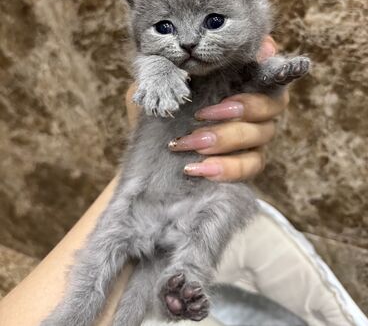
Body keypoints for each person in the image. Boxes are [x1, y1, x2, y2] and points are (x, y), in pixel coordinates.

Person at [0, 37, 289, 326]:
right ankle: (177, 286)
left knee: (226, 203)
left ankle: (182, 278)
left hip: (182, 192)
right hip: (158, 189)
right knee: (109, 262)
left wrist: (269, 76)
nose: (190, 40)